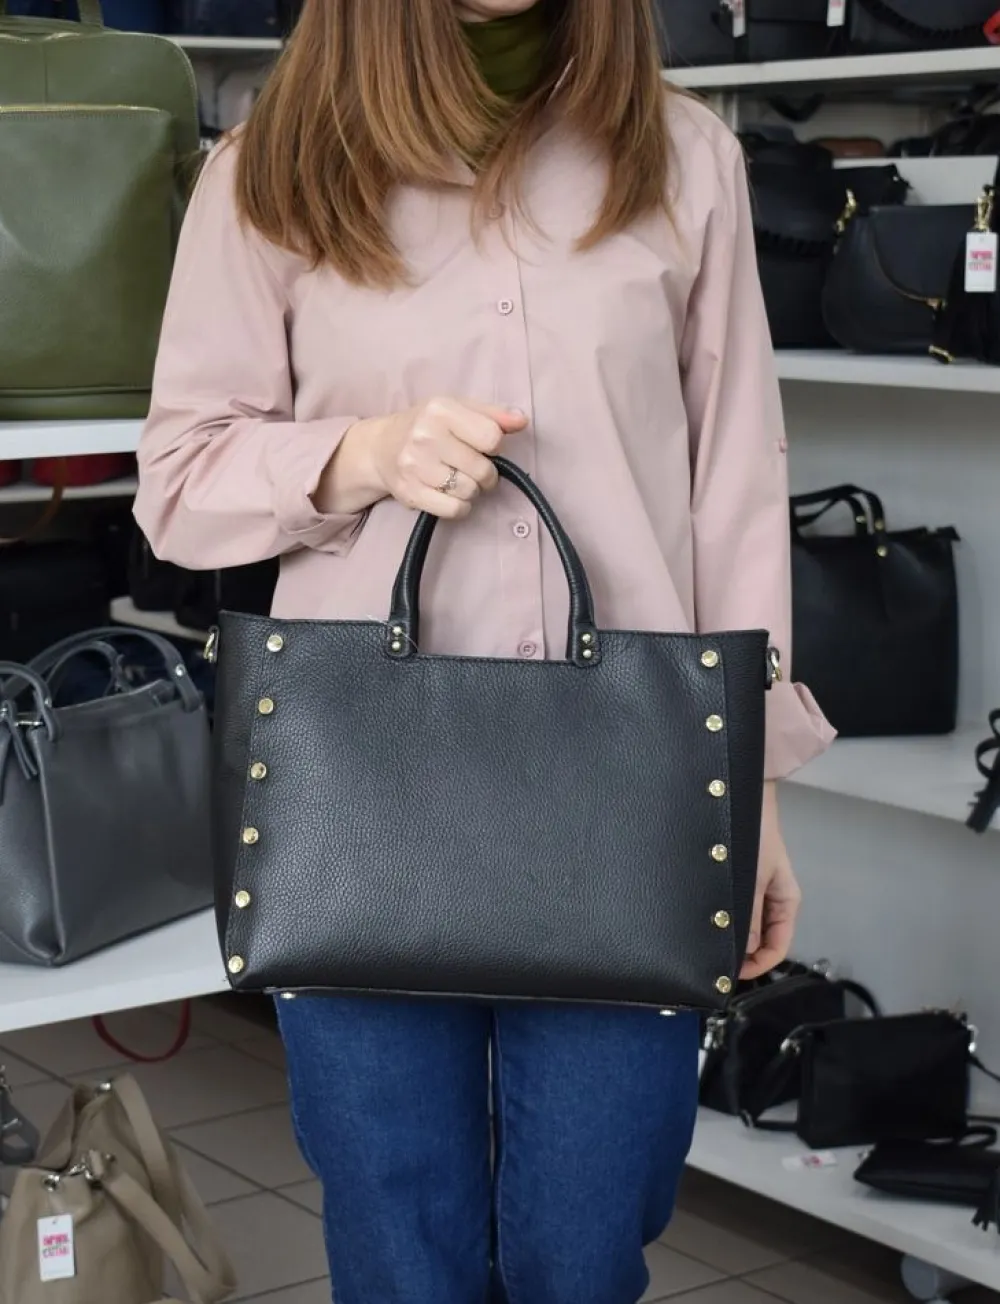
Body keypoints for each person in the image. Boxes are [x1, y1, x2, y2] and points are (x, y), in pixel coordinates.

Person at [134, 1, 834, 1300]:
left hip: (632, 790)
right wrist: (362, 455)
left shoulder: (685, 157)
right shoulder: (271, 166)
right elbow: (177, 483)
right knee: (403, 1241)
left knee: (589, 1239)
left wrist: (757, 791)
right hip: (361, 791)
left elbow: (735, 490)